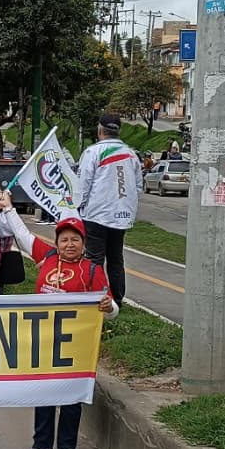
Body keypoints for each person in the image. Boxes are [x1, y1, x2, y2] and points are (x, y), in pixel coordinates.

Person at [0, 190, 117, 449]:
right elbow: (23, 236)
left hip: (75, 346)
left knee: (71, 394)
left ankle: (66, 447)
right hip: (44, 339)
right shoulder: (47, 257)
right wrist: (9, 208)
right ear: (57, 242)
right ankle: (41, 447)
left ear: (83, 243)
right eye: (64, 239)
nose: (69, 244)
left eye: (75, 239)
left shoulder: (93, 271)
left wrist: (108, 306)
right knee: (44, 392)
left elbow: (111, 309)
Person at [75, 113, 141, 306]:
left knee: (94, 259)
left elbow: (83, 185)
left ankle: (94, 298)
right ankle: (117, 299)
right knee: (116, 258)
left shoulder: (93, 152)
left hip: (96, 215)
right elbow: (138, 187)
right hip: (122, 216)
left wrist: (78, 206)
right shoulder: (131, 154)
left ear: (100, 130)